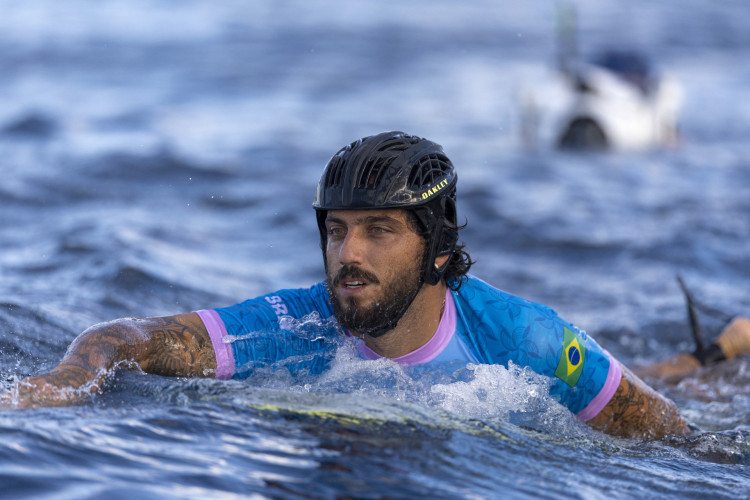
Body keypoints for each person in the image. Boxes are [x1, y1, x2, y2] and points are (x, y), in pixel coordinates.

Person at [4, 131, 747, 440]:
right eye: (336, 230)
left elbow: (669, 439)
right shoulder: (296, 327)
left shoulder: (526, 337)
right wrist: (73, 377)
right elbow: (126, 340)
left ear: (438, 248)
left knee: (674, 383)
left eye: (378, 230)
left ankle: (717, 355)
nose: (347, 255)